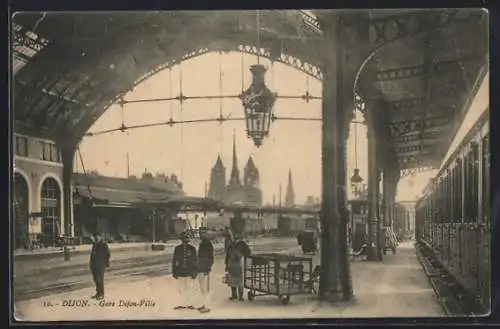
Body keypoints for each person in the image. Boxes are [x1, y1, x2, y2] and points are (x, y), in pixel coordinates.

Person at [172, 231, 198, 310]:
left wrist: (194, 272)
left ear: (189, 240)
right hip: (180, 272)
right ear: (181, 240)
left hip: (189, 272)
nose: (185, 240)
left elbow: (195, 261)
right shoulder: (177, 249)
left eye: (186, 238)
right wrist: (174, 272)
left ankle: (189, 304)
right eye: (183, 239)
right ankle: (181, 304)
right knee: (180, 288)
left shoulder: (192, 249)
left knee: (189, 288)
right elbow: (174, 260)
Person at [224, 231, 251, 301]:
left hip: (236, 264)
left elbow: (248, 253)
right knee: (235, 280)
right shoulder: (236, 244)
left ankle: (237, 296)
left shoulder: (237, 244)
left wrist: (226, 264)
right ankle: (237, 296)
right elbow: (248, 253)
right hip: (234, 264)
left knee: (236, 280)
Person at [197, 227, 214, 313]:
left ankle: (207, 306)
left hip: (205, 269)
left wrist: (207, 268)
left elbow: (210, 258)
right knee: (202, 288)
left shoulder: (207, 244)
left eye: (202, 233)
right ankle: (203, 304)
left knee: (206, 288)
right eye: (200, 233)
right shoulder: (203, 244)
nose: (201, 235)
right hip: (200, 268)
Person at [89, 233, 110, 300]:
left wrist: (106, 262)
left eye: (98, 237)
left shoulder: (103, 244)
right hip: (94, 265)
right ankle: (98, 293)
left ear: (100, 237)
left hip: (100, 265)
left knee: (100, 280)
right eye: (96, 237)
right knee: (95, 280)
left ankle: (101, 294)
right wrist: (91, 264)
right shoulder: (95, 244)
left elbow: (108, 254)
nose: (97, 238)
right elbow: (92, 255)